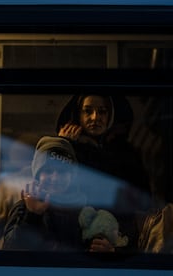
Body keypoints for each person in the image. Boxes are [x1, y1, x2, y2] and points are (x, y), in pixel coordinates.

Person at [56, 94, 152, 249]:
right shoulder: (69, 148)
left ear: (111, 116)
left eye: (102, 112)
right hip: (71, 240)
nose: (95, 118)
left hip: (116, 239)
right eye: (87, 111)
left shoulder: (126, 155)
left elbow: (140, 203)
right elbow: (54, 190)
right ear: (78, 115)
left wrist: (117, 247)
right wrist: (61, 146)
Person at [1, 136, 116, 252]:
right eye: (48, 171)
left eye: (62, 171)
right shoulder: (24, 207)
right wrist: (32, 215)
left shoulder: (88, 211)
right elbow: (11, 251)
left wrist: (108, 252)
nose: (55, 178)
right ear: (37, 175)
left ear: (72, 175)